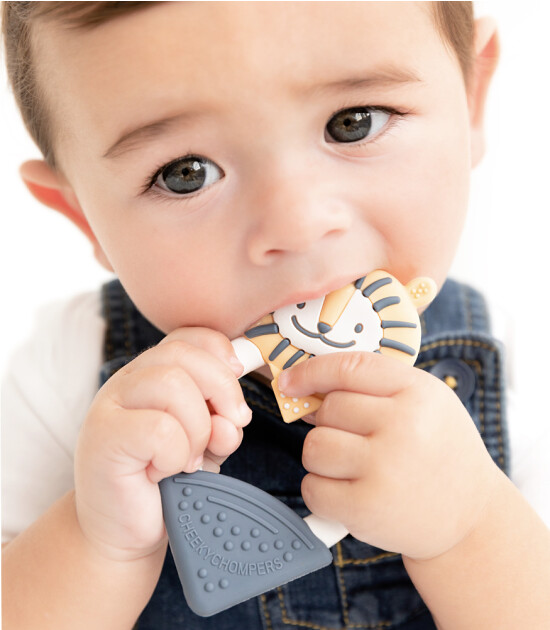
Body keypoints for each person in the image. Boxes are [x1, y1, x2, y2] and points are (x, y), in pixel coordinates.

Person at [2, 2, 549, 628]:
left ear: (471, 99)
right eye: (186, 174)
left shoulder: (525, 371)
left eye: (353, 122)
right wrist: (95, 542)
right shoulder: (68, 373)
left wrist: (473, 527)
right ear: (81, 215)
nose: (298, 223)